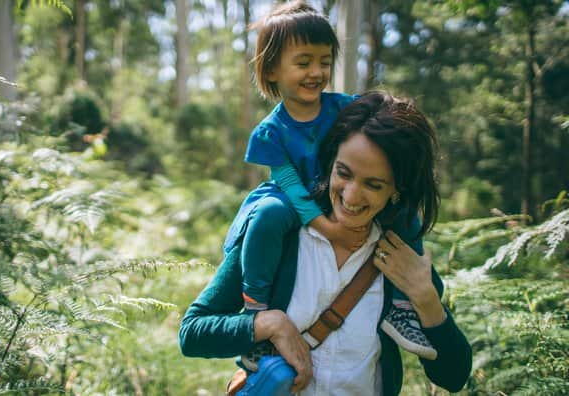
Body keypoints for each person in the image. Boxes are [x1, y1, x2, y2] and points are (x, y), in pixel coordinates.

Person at [179, 92, 472, 395]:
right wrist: (268, 323)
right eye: (343, 173)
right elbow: (192, 333)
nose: (351, 196)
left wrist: (425, 298)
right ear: (330, 162)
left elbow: (453, 377)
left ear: (397, 190)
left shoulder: (400, 258)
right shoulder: (278, 237)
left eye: (373, 184)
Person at [223, 0, 436, 368]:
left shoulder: (345, 107)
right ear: (271, 69)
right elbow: (290, 186)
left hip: (337, 194)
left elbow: (386, 119)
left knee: (403, 210)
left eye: (324, 61)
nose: (316, 72)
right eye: (303, 62)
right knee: (269, 215)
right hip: (295, 201)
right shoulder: (270, 133)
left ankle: (403, 307)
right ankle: (255, 313)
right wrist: (329, 230)